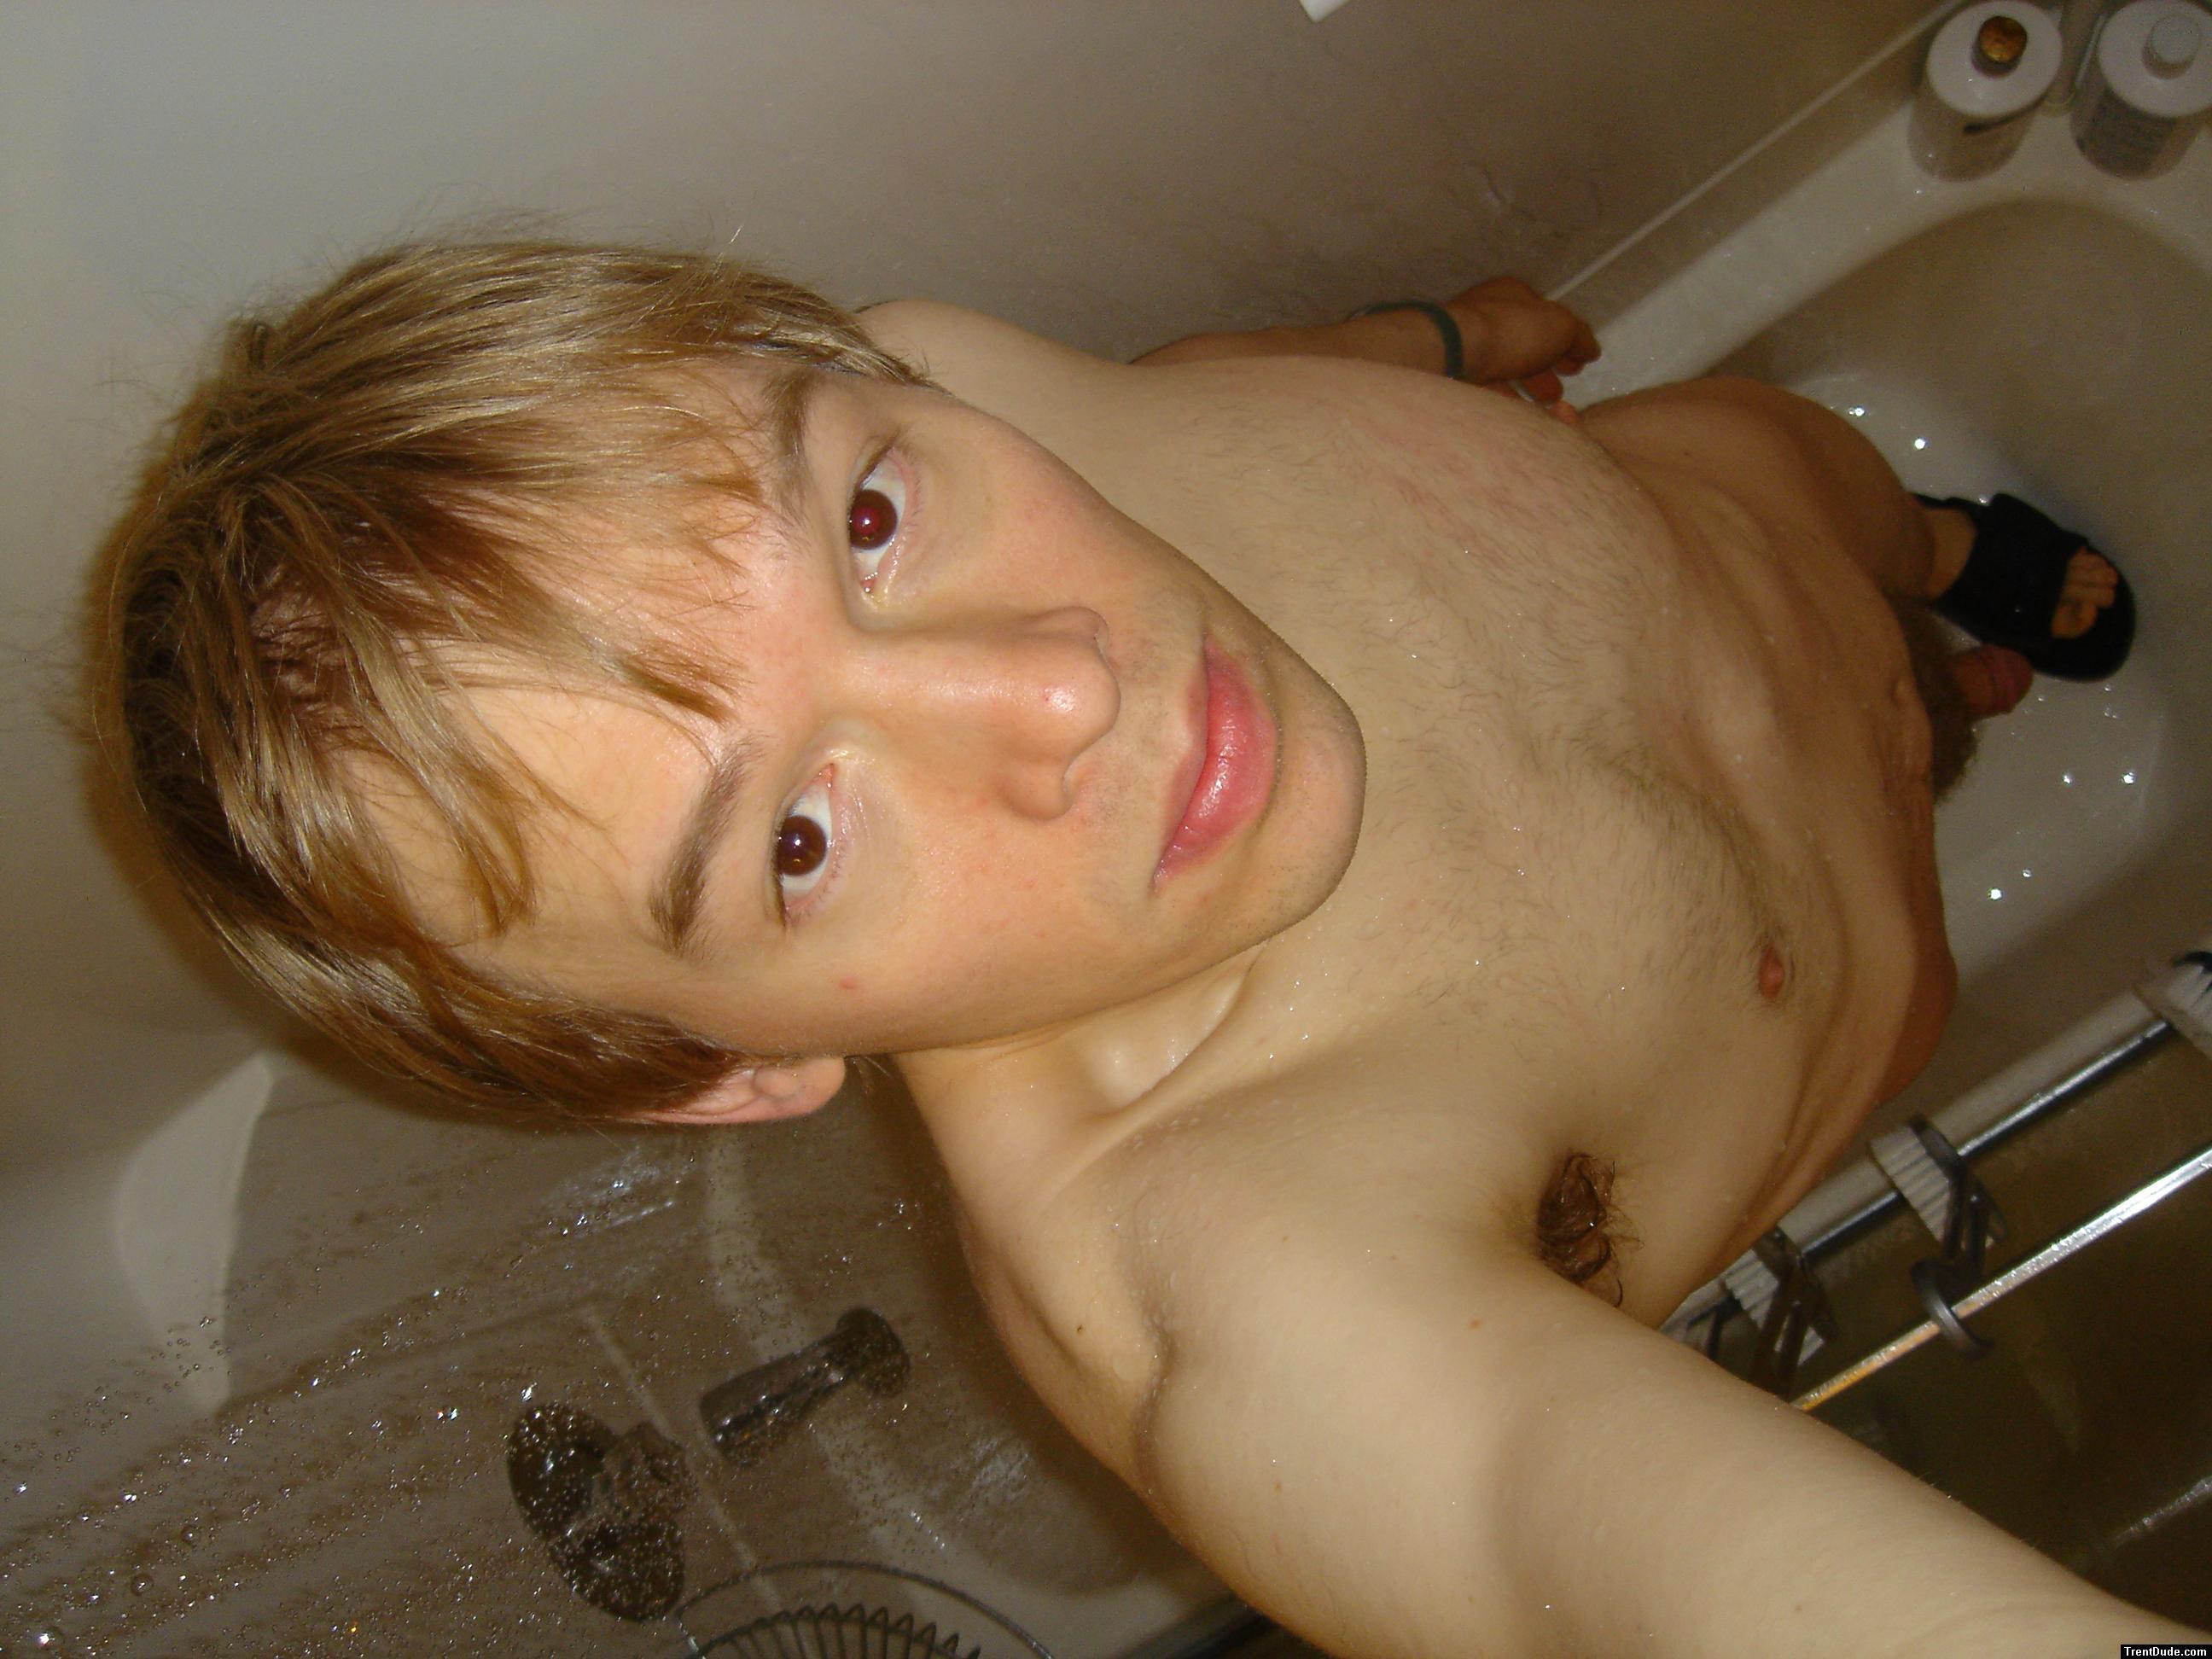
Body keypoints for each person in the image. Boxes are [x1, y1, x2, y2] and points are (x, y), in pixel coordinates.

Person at [98, 242, 2190, 1656]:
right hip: (1864, 926)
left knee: (1870, 524)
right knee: (1928, 741)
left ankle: (1947, 562)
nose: (1058, 687)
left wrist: (1439, 343)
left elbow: (1181, 395)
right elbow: (1532, 1505)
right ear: (722, 1069)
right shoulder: (1236, 1286)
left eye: (870, 523)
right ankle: (1955, 686)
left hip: (1749, 502)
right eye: (801, 840)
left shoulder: (946, 359)